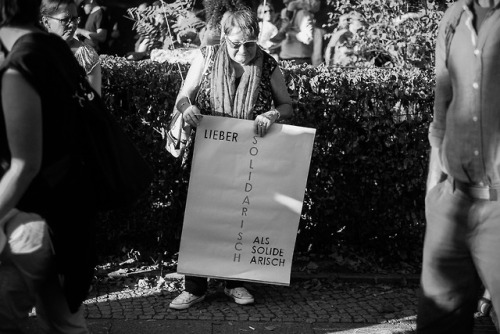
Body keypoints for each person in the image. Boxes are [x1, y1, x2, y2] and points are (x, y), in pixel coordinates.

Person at [169, 8, 292, 310]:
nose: (242, 50)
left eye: (249, 44)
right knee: (201, 216)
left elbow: (286, 105)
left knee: (242, 216)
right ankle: (195, 286)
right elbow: (184, 96)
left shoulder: (269, 63)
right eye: (235, 43)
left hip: (250, 155)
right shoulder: (208, 56)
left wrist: (273, 114)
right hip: (208, 153)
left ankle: (235, 282)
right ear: (224, 37)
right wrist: (187, 109)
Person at [0, 0, 99, 332]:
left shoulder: (20, 65)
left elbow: (24, 165)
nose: (72, 23)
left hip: (31, 219)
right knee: (64, 324)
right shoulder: (55, 51)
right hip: (68, 218)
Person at [419, 0, 500, 332]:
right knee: (438, 324)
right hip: (451, 200)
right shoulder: (453, 17)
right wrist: (433, 192)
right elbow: (443, 104)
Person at [41, 0, 102, 95]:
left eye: (74, 19)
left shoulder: (87, 56)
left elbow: (93, 101)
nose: (72, 25)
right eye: (65, 20)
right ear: (46, 22)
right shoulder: (34, 51)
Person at [277, 0, 314, 65]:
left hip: (299, 60)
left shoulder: (303, 13)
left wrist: (290, 32)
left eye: (288, 2)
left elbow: (308, 39)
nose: (285, 3)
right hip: (284, 58)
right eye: (285, 3)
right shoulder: (284, 12)